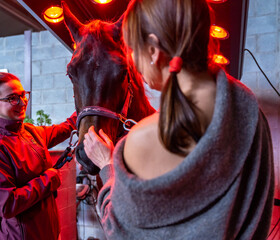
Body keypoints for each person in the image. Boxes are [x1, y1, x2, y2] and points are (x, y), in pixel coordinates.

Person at [83, 0, 274, 239]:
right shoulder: (249, 111)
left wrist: (107, 166)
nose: (134, 62)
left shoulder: (140, 142)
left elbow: (118, 232)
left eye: (133, 50)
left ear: (153, 50)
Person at [0, 72, 76, 240]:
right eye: (12, 98)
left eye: (23, 95)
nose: (22, 102)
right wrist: (48, 179)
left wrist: (90, 104)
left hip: (47, 233)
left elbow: (68, 126)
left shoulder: (30, 132)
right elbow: (6, 205)